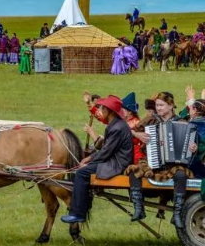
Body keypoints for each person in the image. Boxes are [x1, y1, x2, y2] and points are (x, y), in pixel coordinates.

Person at [126, 91, 196, 227]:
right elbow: (126, 130)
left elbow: (192, 144)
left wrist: (192, 147)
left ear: (171, 106)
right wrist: (137, 134)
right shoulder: (150, 120)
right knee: (135, 171)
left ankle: (177, 215)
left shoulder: (181, 122)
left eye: (161, 105)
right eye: (157, 105)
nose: (158, 108)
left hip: (172, 165)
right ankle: (139, 209)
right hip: (152, 161)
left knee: (181, 175)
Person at [61, 95, 133, 224]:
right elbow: (106, 149)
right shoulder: (115, 124)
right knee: (81, 171)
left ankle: (78, 213)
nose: (100, 110)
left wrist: (88, 162)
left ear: (109, 111)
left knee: (82, 173)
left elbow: (106, 152)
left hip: (116, 164)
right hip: (112, 159)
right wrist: (88, 159)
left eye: (102, 108)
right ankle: (82, 205)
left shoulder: (117, 128)